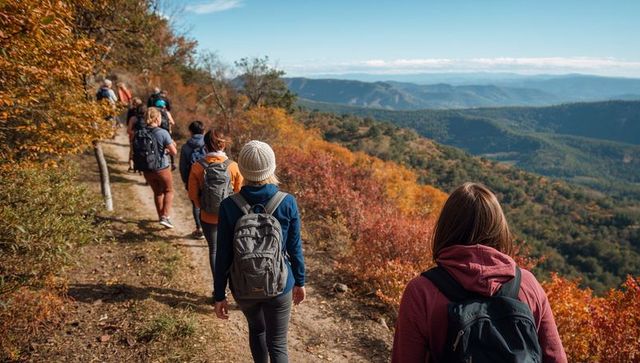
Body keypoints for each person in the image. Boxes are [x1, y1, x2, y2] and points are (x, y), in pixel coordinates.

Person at [392, 182, 567, 363]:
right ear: (500, 228)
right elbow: (556, 357)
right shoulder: (527, 284)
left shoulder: (422, 291)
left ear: (445, 228)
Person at [214, 140, 306, 363]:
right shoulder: (287, 202)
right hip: (279, 284)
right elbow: (295, 248)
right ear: (271, 167)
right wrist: (300, 281)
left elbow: (223, 255)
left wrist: (219, 295)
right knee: (278, 343)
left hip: (243, 285)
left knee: (257, 331)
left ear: (242, 169)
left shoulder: (228, 205)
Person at [188, 129, 243, 292]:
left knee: (214, 250)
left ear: (204, 145)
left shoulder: (198, 166)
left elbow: (192, 194)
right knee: (233, 251)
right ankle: (236, 286)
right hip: (230, 217)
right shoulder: (234, 167)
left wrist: (202, 207)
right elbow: (240, 193)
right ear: (224, 145)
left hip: (208, 216)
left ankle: (220, 289)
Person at [137, 107, 177, 229]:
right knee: (169, 191)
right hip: (162, 169)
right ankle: (165, 217)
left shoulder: (140, 132)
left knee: (157, 192)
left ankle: (161, 216)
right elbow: (174, 152)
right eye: (159, 117)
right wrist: (166, 149)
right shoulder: (162, 132)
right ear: (156, 118)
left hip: (147, 169)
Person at [180, 121, 206, 238]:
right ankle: (210, 228)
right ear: (203, 131)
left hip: (192, 179)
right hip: (208, 180)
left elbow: (182, 167)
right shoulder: (208, 144)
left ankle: (199, 228)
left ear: (190, 132)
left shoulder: (186, 147)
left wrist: (186, 181)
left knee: (195, 204)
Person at [126, 98, 145, 171]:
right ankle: (133, 164)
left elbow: (128, 123)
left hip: (133, 133)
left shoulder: (131, 113)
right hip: (139, 135)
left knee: (132, 148)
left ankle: (131, 165)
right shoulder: (145, 115)